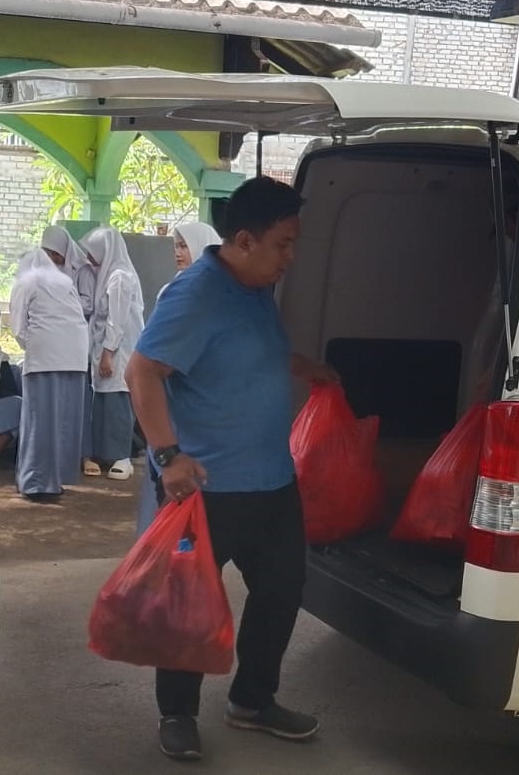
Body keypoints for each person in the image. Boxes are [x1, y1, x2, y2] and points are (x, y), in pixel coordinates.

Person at [125, 176, 338, 762]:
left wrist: (301, 366)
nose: (291, 258)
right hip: (205, 487)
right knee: (190, 604)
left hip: (271, 480)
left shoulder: (254, 287)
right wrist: (168, 456)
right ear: (244, 240)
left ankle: (252, 700)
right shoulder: (196, 294)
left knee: (281, 591)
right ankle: (178, 712)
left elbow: (238, 352)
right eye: (284, 244)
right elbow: (142, 374)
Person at [138, 219, 222, 535]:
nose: (178, 252)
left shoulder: (215, 292)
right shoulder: (173, 290)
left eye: (184, 245)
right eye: (176, 245)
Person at [9, 247, 89, 502]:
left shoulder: (26, 283)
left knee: (39, 419)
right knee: (64, 419)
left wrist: (31, 349)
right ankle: (56, 479)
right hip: (76, 355)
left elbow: (19, 327)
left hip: (45, 356)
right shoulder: (65, 283)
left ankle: (36, 482)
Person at [80, 226, 144, 478]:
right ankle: (107, 453)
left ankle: (122, 456)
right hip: (105, 347)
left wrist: (108, 352)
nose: (90, 259)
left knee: (118, 399)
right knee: (105, 401)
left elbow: (117, 320)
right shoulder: (107, 276)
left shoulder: (120, 277)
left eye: (93, 253)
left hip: (118, 348)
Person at [40, 224, 101, 477]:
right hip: (50, 345)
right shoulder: (41, 271)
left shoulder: (82, 271)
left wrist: (63, 298)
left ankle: (82, 455)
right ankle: (53, 458)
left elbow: (88, 303)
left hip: (76, 343)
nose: (53, 260)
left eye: (57, 254)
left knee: (78, 403)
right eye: (48, 254)